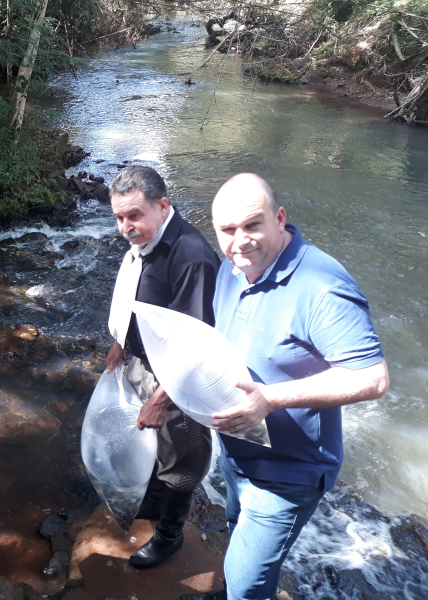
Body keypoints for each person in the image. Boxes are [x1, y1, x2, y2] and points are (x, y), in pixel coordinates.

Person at [200, 173, 389, 600]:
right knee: (236, 549)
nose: (240, 241)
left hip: (289, 470)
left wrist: (269, 399)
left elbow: (373, 378)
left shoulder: (323, 286)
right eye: (227, 230)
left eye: (253, 225)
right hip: (237, 452)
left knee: (245, 585)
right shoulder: (232, 270)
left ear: (280, 218)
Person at [105, 166, 221, 569]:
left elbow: (197, 345)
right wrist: (119, 344)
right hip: (144, 362)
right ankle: (153, 502)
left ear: (163, 205)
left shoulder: (191, 258)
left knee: (182, 460)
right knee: (155, 446)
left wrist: (160, 398)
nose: (125, 227)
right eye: (119, 217)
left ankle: (169, 536)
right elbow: (135, 295)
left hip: (179, 381)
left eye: (134, 215)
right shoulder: (146, 241)